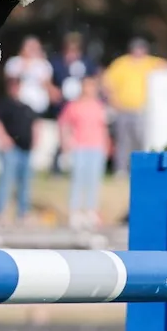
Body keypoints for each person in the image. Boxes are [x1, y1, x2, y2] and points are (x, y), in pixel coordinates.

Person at [102, 37, 167, 173]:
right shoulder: (121, 63)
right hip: (123, 109)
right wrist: (113, 101)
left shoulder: (150, 62)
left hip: (142, 110)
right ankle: (121, 170)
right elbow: (107, 83)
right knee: (123, 142)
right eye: (136, 49)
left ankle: (140, 169)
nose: (138, 52)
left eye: (141, 49)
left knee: (141, 141)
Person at [57, 75, 112, 229]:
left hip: (96, 147)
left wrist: (106, 145)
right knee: (78, 180)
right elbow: (64, 124)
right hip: (79, 147)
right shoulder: (74, 106)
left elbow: (104, 127)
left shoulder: (99, 106)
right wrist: (66, 143)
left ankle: (91, 211)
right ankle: (75, 212)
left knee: (93, 180)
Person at [4, 36, 59, 173]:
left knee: (31, 142)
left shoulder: (43, 65)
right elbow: (11, 85)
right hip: (19, 108)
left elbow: (48, 85)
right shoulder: (15, 63)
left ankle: (27, 167)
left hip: (36, 108)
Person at [0, 81, 38, 223]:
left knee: (25, 182)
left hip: (26, 149)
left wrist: (35, 140)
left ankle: (23, 213)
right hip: (12, 149)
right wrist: (4, 139)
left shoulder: (26, 107)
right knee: (7, 180)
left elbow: (35, 124)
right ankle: (0, 212)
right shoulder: (4, 105)